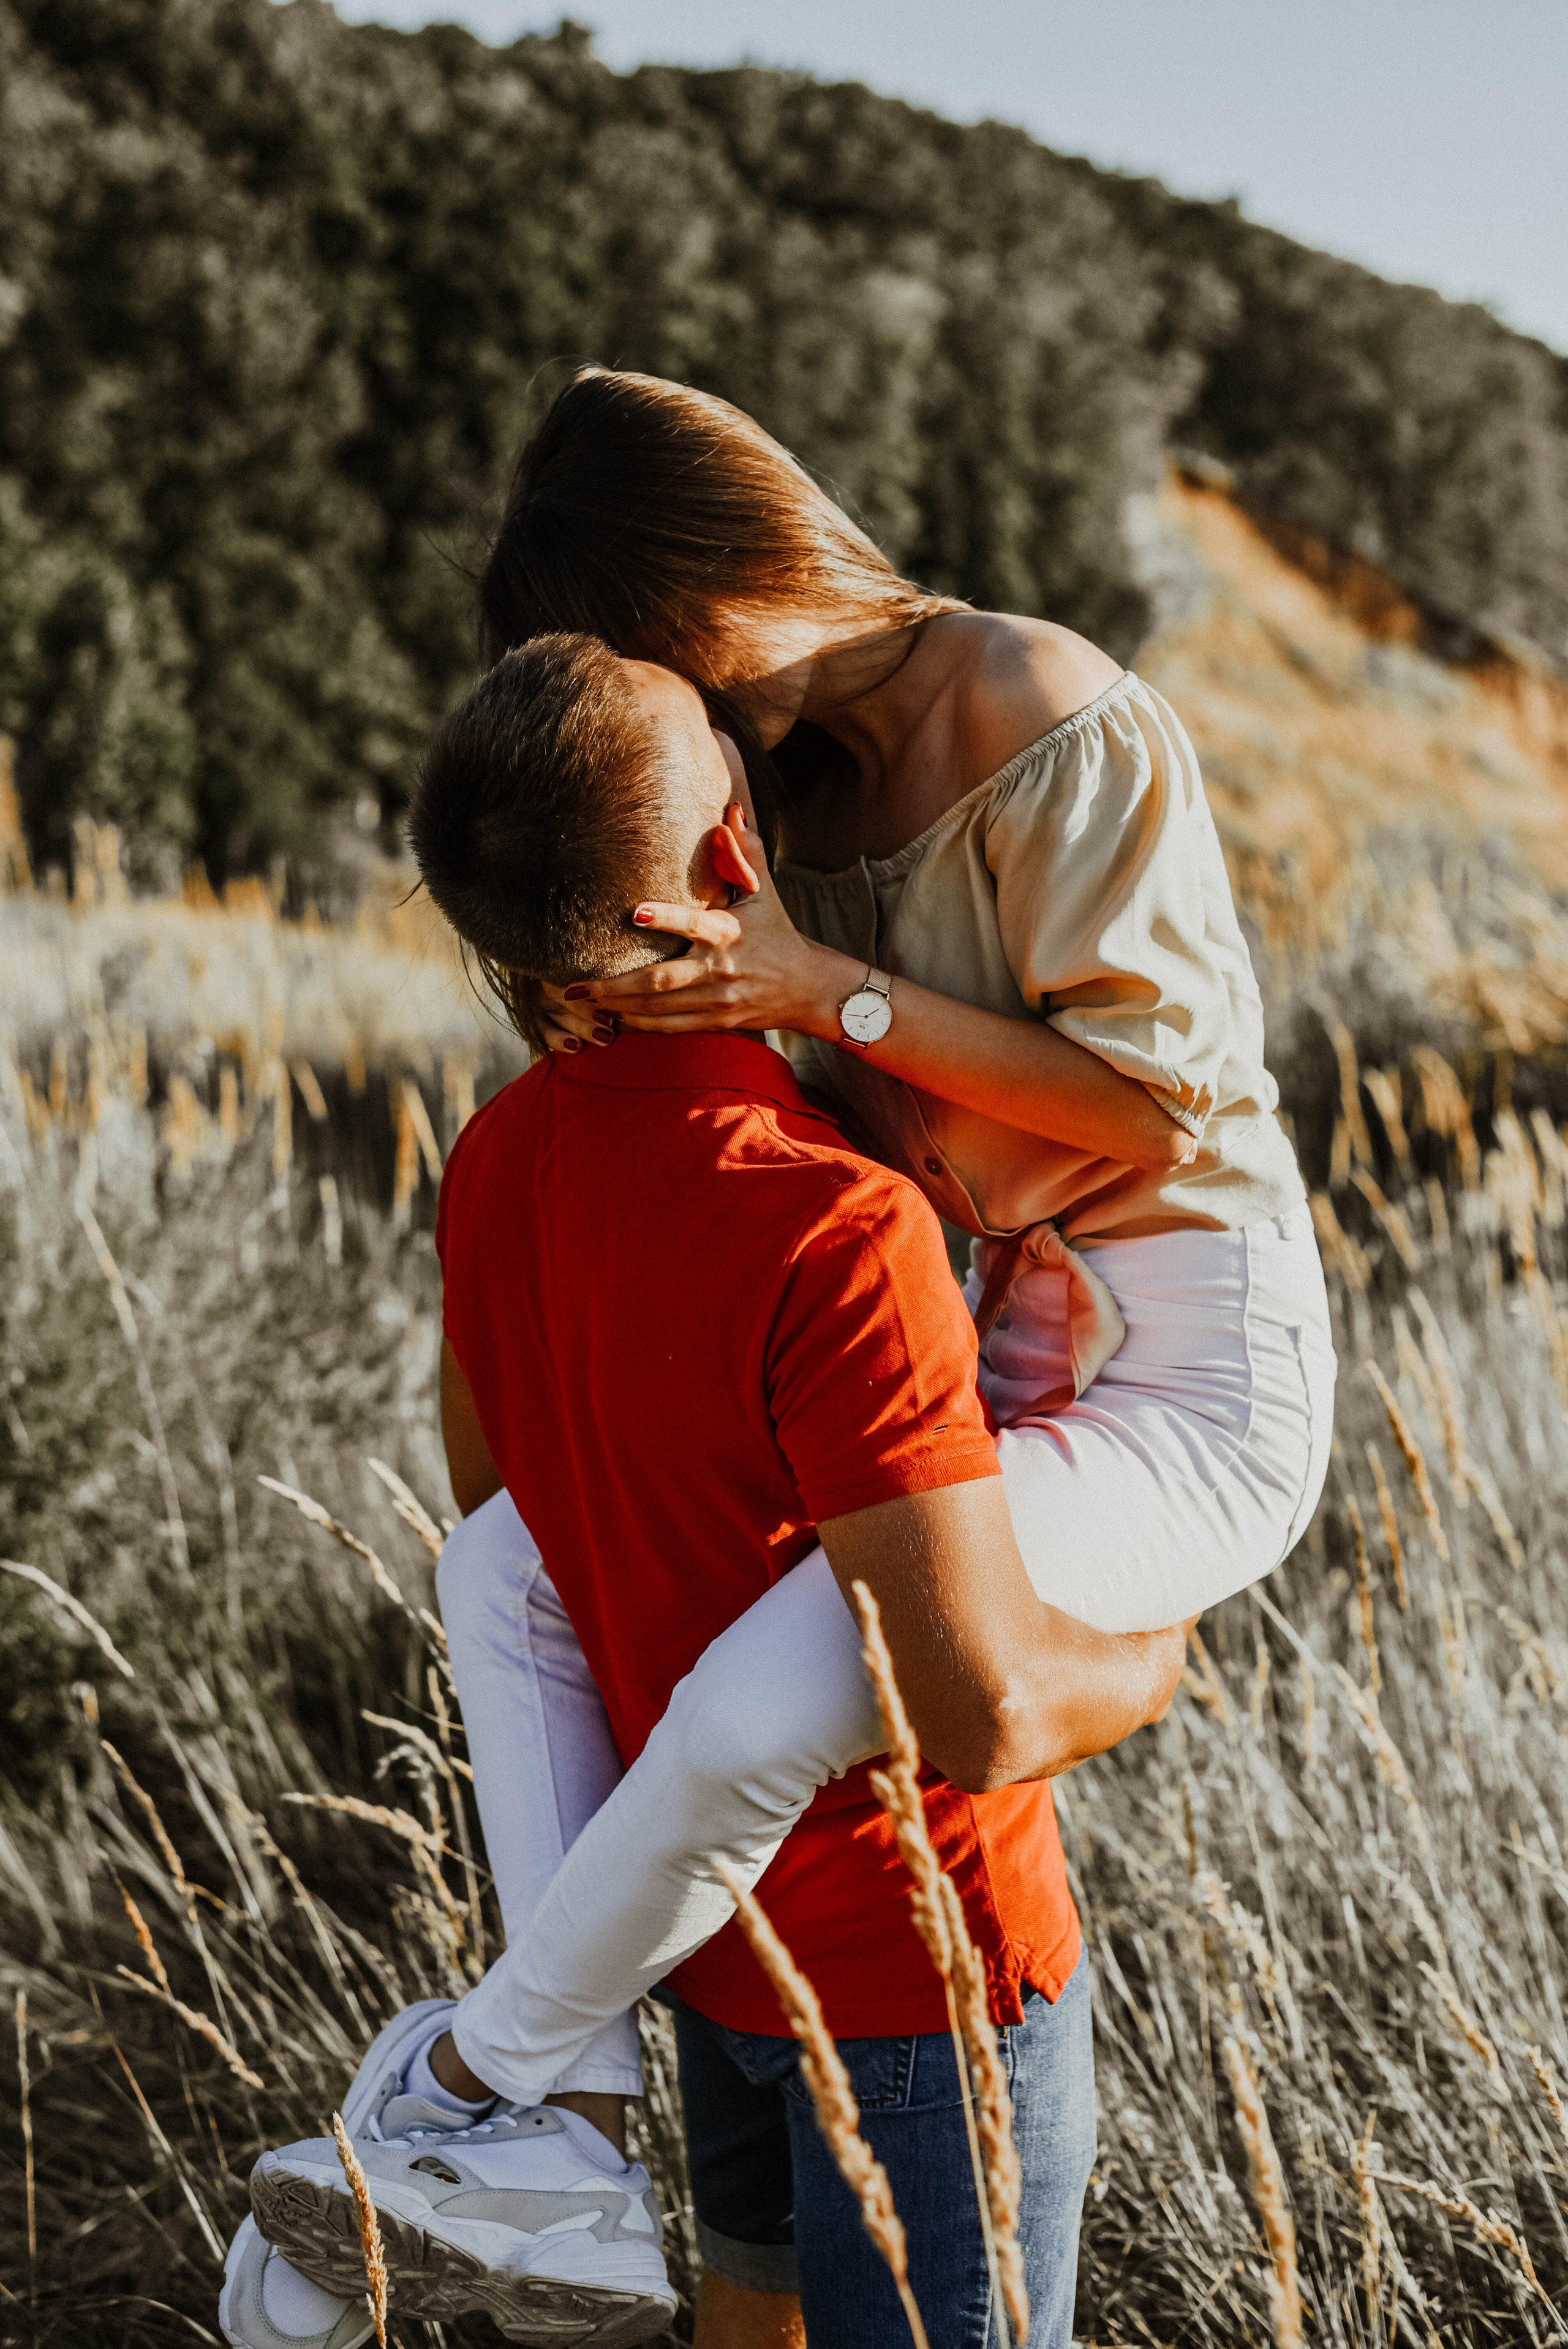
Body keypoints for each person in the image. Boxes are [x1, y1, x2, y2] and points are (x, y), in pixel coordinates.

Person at [235, 634, 1191, 2349]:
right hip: (923, 1981)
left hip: (701, 1961)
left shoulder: (499, 1161)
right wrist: (1155, 1639)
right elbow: (974, 1712)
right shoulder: (838, 1222)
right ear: (735, 866)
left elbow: (524, 1535)